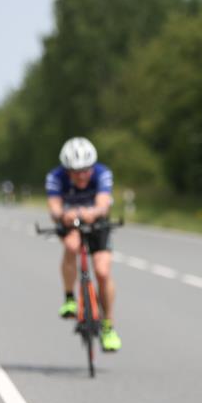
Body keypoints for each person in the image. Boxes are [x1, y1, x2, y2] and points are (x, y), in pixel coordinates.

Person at [46, 137, 122, 352]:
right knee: (71, 246)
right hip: (69, 222)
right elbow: (53, 208)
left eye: (85, 171)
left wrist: (92, 213)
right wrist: (63, 215)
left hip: (96, 221)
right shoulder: (55, 176)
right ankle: (70, 298)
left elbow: (103, 204)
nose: (81, 176)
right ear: (66, 170)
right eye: (75, 171)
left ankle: (108, 325)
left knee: (102, 271)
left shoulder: (102, 172)